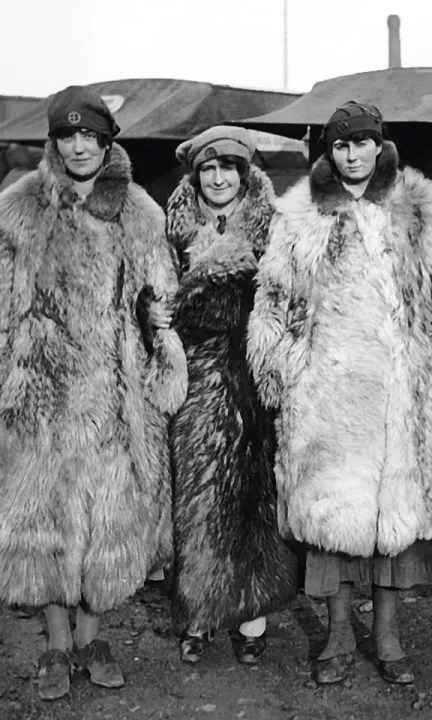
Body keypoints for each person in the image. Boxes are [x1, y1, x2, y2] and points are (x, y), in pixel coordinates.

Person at [247, 101, 432, 685]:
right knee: (332, 522)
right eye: (341, 145)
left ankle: (387, 636)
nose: (352, 155)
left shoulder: (423, 207)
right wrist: (289, 379)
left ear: (381, 146)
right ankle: (335, 639)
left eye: (362, 143)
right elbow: (274, 303)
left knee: (394, 522)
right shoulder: (300, 213)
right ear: (327, 151)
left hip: (402, 398)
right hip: (327, 398)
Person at [0, 85, 187, 700]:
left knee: (107, 521)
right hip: (40, 399)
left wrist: (154, 317)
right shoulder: (19, 208)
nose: (79, 146)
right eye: (67, 135)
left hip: (113, 395)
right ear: (52, 141)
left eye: (91, 136)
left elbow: (158, 291)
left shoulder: (139, 210)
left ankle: (92, 637)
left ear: (108, 142)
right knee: (44, 522)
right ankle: (55, 646)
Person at [166, 126, 298, 666]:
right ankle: (197, 616)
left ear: (245, 176)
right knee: (195, 499)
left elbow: (291, 299)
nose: (218, 179)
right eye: (208, 169)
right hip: (194, 383)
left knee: (252, 498)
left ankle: (251, 615)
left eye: (229, 169)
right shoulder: (170, 230)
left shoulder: (275, 227)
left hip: (253, 380)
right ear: (194, 175)